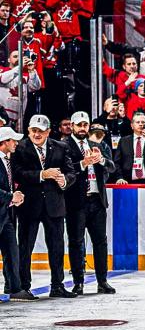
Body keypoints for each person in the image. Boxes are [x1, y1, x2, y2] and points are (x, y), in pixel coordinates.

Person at [12, 114, 78, 298]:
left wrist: (64, 180)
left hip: (54, 204)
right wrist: (42, 174)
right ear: (28, 131)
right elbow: (17, 173)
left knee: (57, 246)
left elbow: (71, 172)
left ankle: (57, 286)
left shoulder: (61, 147)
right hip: (28, 205)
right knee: (25, 247)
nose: (36, 134)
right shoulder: (20, 147)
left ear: (48, 131)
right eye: (33, 130)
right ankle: (24, 286)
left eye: (40, 131)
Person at [63, 111, 116, 295]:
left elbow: (112, 167)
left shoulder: (96, 145)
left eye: (85, 125)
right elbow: (65, 171)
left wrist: (101, 159)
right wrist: (83, 163)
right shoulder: (64, 146)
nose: (83, 128)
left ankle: (102, 281)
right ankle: (78, 282)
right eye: (79, 125)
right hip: (76, 202)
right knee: (76, 242)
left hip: (97, 200)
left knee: (100, 242)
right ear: (72, 126)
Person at [0, 126, 33, 301]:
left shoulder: (8, 160)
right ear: (4, 143)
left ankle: (14, 287)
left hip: (7, 214)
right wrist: (11, 196)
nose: (16, 143)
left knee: (12, 251)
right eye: (13, 140)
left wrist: (13, 197)